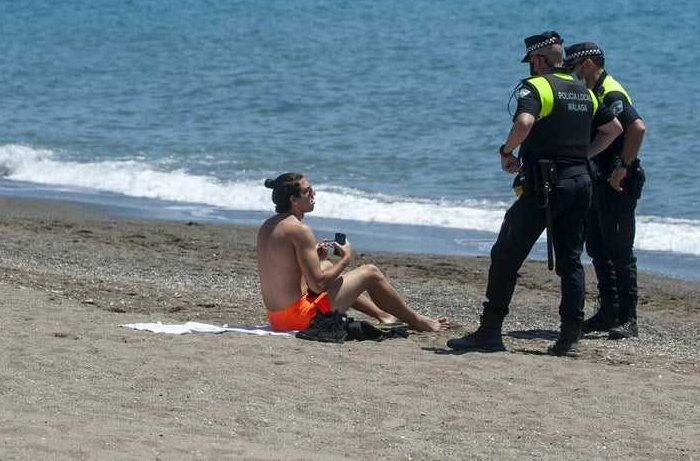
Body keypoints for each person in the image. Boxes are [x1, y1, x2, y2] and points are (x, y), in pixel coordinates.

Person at [448, 31, 621, 357]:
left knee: (505, 255)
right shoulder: (585, 91)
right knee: (571, 261)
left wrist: (507, 150)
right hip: (580, 184)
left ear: (538, 60)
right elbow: (614, 130)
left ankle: (490, 332)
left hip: (544, 187)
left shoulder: (537, 86)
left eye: (531, 62)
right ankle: (569, 337)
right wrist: (585, 154)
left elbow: (525, 121)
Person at [257, 172, 450, 334]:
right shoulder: (299, 229)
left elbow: (286, 273)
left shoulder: (268, 226)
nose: (313, 193)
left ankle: (383, 315)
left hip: (277, 318)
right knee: (370, 272)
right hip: (299, 320)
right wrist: (346, 259)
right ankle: (417, 321)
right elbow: (318, 284)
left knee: (325, 265)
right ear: (294, 200)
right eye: (308, 191)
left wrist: (316, 258)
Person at [565, 41, 647, 340]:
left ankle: (629, 319)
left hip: (617, 181)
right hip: (599, 178)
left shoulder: (609, 92)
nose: (570, 74)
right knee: (597, 247)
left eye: (572, 68)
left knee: (620, 250)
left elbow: (637, 128)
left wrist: (623, 165)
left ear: (586, 64)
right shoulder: (592, 90)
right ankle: (608, 311)